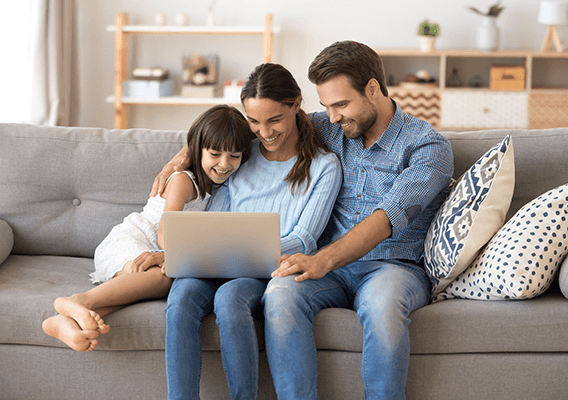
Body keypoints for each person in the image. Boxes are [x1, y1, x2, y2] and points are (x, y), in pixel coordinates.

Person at [263, 41, 454, 399]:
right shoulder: (330, 129)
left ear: (372, 89)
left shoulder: (428, 147)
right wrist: (186, 153)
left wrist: (321, 260)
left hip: (393, 267)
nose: (333, 115)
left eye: (341, 104)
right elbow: (265, 128)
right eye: (326, 106)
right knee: (279, 293)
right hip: (332, 272)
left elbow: (386, 219)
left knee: (383, 306)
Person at [154, 63, 342, 400]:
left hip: (266, 267)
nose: (264, 132)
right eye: (254, 121)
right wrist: (185, 250)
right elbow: (215, 215)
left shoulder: (323, 166)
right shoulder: (240, 154)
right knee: (180, 296)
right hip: (216, 258)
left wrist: (231, 250)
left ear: (296, 106)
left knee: (228, 298)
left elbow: (304, 240)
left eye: (274, 120)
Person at [42, 104, 253, 353]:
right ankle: (78, 300)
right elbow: (166, 231)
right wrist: (173, 256)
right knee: (163, 278)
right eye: (215, 154)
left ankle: (64, 321)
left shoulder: (216, 185)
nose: (224, 164)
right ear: (197, 151)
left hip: (154, 249)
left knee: (150, 286)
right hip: (131, 239)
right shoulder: (184, 180)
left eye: (234, 156)